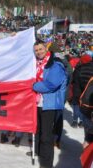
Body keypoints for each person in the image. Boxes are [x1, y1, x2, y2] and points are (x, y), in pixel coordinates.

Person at [32, 39, 67, 168]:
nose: (38, 52)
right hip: (37, 103)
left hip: (50, 104)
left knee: (46, 136)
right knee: (38, 132)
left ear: (46, 49)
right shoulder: (36, 63)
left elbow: (51, 85)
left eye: (41, 49)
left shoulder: (55, 64)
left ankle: (46, 165)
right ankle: (41, 155)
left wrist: (33, 86)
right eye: (36, 50)